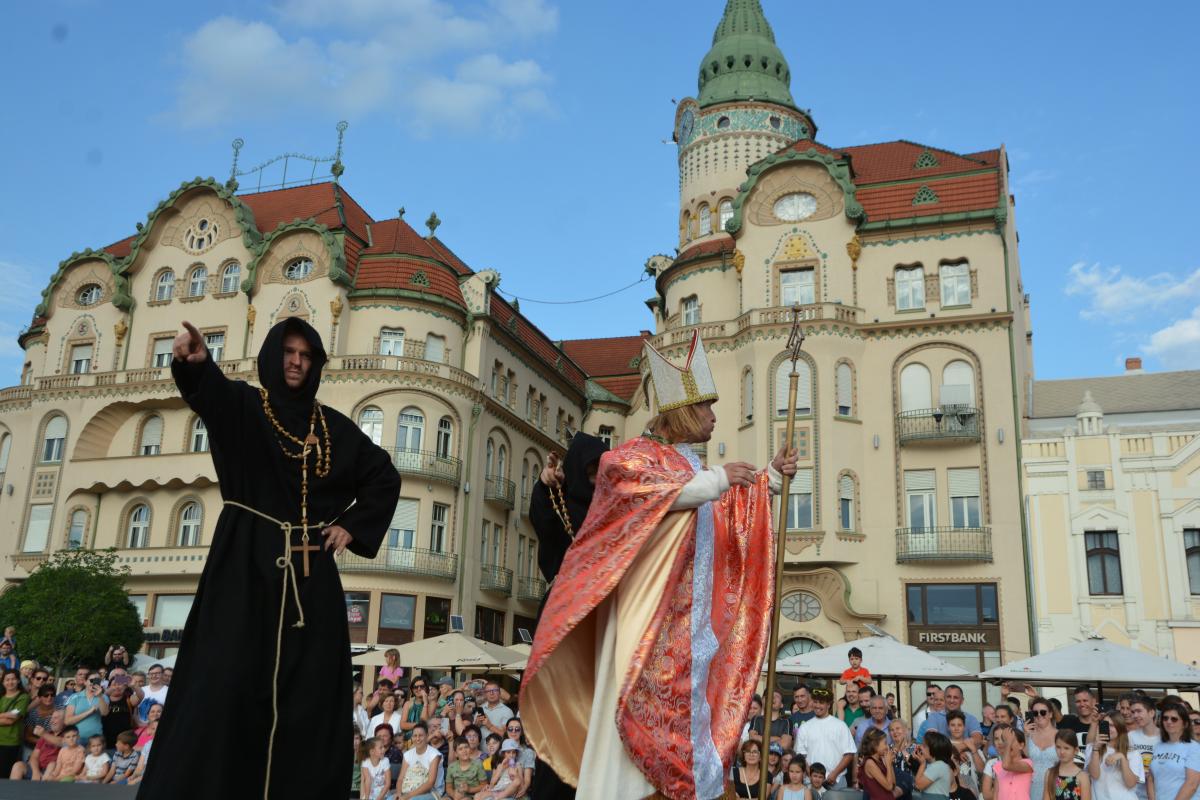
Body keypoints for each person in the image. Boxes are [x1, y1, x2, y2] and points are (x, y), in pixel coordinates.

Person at [523, 332, 796, 800]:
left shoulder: (689, 463)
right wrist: (715, 481)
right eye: (707, 407)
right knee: (638, 717)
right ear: (684, 410)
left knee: (692, 719)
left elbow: (719, 509)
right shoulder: (628, 458)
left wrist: (767, 478)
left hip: (691, 627)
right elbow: (646, 494)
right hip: (649, 623)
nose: (714, 417)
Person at [138, 318, 402, 798]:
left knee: (311, 693)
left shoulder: (335, 428)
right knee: (224, 683)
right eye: (288, 352)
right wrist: (194, 363)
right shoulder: (244, 405)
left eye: (305, 354)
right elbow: (209, 393)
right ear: (271, 356)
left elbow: (384, 476)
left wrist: (352, 525)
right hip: (244, 563)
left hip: (310, 574)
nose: (296, 362)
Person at [794, 687, 856, 789]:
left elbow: (849, 753)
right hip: (811, 782)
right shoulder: (805, 727)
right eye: (815, 702)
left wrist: (834, 774)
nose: (817, 705)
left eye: (821, 702)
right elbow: (801, 755)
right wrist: (813, 777)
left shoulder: (840, 725)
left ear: (829, 704)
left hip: (837, 781)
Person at [1146, 703, 1199, 800]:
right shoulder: (1158, 746)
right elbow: (1151, 778)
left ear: (1185, 724)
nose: (1168, 722)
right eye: (1165, 718)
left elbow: (1192, 784)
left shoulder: (1194, 748)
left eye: (1174, 719)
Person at [1087, 712, 1143, 800]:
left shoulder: (1133, 753)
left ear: (1120, 728)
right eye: (1105, 724)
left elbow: (1131, 784)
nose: (1108, 728)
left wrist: (1122, 758)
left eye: (1112, 725)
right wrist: (1095, 749)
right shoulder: (1092, 747)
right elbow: (1094, 775)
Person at [1028, 698, 1063, 800]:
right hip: (1031, 788)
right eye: (1035, 713)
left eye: (1043, 712)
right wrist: (1025, 735)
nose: (1039, 715)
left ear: (1050, 714)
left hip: (1055, 787)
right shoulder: (1027, 735)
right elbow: (1024, 759)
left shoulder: (1061, 735)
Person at [397, 721, 441, 800]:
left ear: (427, 736)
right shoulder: (408, 754)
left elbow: (430, 783)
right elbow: (400, 779)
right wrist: (398, 794)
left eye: (421, 735)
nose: (417, 738)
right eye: (415, 736)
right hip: (407, 790)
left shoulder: (434, 754)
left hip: (431, 792)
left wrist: (408, 796)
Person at [1128, 696, 1160, 800]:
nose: (1135, 715)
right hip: (1136, 795)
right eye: (1133, 712)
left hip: (1159, 794)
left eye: (1139, 711)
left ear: (1151, 713)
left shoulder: (1165, 737)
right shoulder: (1130, 736)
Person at [0, 668, 30, 776]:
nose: (10, 682)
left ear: (18, 680)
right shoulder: (1, 697)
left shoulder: (23, 697)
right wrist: (5, 715)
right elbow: (7, 718)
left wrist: (6, 716)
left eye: (13, 679)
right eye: (7, 680)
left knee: (4, 774)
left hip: (10, 742)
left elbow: (11, 720)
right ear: (3, 682)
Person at [1046, 729, 1090, 800]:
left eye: (1066, 748)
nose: (1062, 752)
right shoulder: (1050, 773)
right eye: (1058, 747)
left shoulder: (1082, 776)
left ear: (1076, 750)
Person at [992, 727, 1033, 800]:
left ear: (1021, 745)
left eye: (1012, 740)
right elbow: (996, 794)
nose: (1008, 743)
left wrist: (1008, 742)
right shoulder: (998, 766)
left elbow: (1006, 765)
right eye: (1005, 741)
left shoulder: (1028, 763)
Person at [860, 728, 897, 800]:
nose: (887, 747)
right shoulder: (869, 762)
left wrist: (890, 764)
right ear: (875, 745)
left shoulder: (880, 761)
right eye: (885, 743)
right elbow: (889, 786)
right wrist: (888, 764)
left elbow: (893, 785)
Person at [447, 735, 488, 799]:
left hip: (471, 796)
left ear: (470, 749)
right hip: (456, 795)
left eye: (466, 747)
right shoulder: (451, 767)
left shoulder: (478, 764)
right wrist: (453, 795)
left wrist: (469, 789)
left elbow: (484, 785)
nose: (464, 751)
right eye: (460, 749)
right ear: (456, 754)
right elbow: (448, 787)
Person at [360, 736, 393, 800]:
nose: (384, 749)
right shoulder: (365, 763)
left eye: (383, 747)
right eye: (380, 748)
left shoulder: (385, 761)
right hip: (370, 792)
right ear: (372, 752)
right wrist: (366, 798)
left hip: (383, 793)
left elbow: (388, 783)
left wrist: (379, 798)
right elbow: (367, 781)